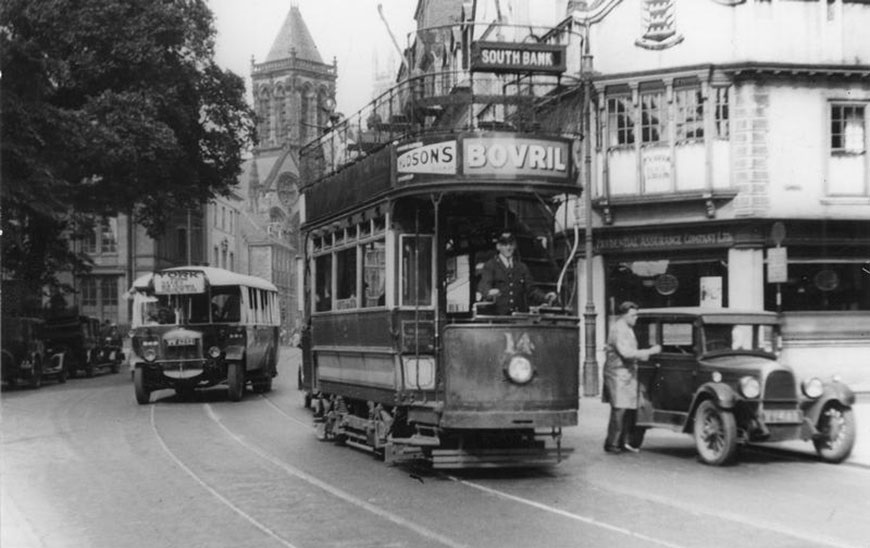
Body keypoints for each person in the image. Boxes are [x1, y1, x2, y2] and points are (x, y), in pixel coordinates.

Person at [602, 301, 661, 454]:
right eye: (632, 315)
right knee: (620, 409)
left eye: (636, 314)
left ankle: (619, 442)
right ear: (624, 315)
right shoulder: (619, 329)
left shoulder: (627, 328)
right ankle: (612, 444)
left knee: (626, 408)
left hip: (625, 374)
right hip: (618, 374)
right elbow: (626, 353)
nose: (636, 318)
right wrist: (649, 352)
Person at [476, 231, 557, 315]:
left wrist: (545, 297)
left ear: (514, 246)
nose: (508, 248)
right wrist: (489, 292)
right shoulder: (490, 265)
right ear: (498, 246)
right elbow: (484, 285)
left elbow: (531, 290)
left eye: (511, 244)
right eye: (504, 245)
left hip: (518, 317)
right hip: (498, 318)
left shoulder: (522, 267)